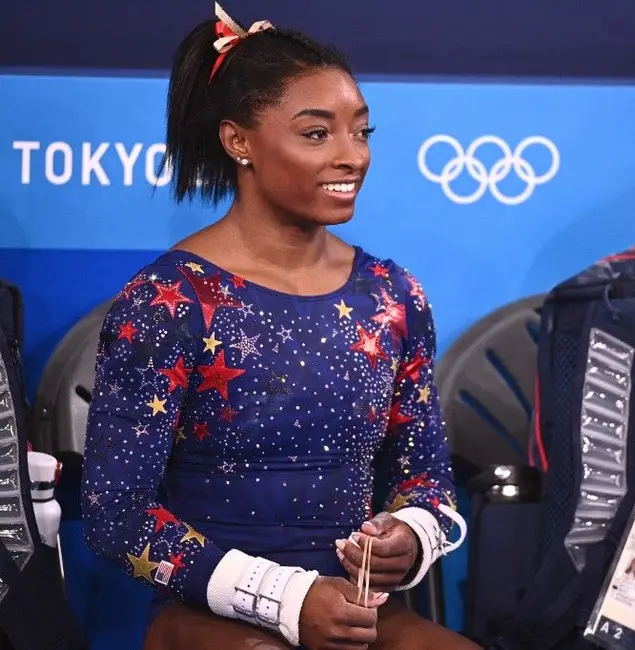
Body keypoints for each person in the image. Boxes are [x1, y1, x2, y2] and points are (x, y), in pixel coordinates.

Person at [79, 4, 475, 649]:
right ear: (239, 142)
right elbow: (114, 518)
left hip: (356, 612)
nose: (353, 157)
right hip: (209, 620)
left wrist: (414, 535)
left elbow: (426, 478)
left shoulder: (393, 296)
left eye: (363, 131)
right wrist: (287, 600)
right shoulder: (169, 301)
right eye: (317, 134)